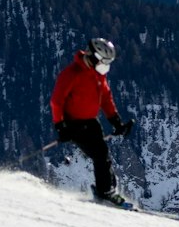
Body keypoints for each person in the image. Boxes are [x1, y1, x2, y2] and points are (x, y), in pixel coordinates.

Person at [51, 36, 136, 206]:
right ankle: (106, 192)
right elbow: (56, 101)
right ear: (94, 58)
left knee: (103, 155)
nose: (106, 67)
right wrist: (61, 126)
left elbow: (105, 98)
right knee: (99, 155)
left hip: (91, 121)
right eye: (104, 62)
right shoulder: (72, 74)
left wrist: (116, 122)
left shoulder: (98, 75)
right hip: (73, 123)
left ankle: (108, 190)